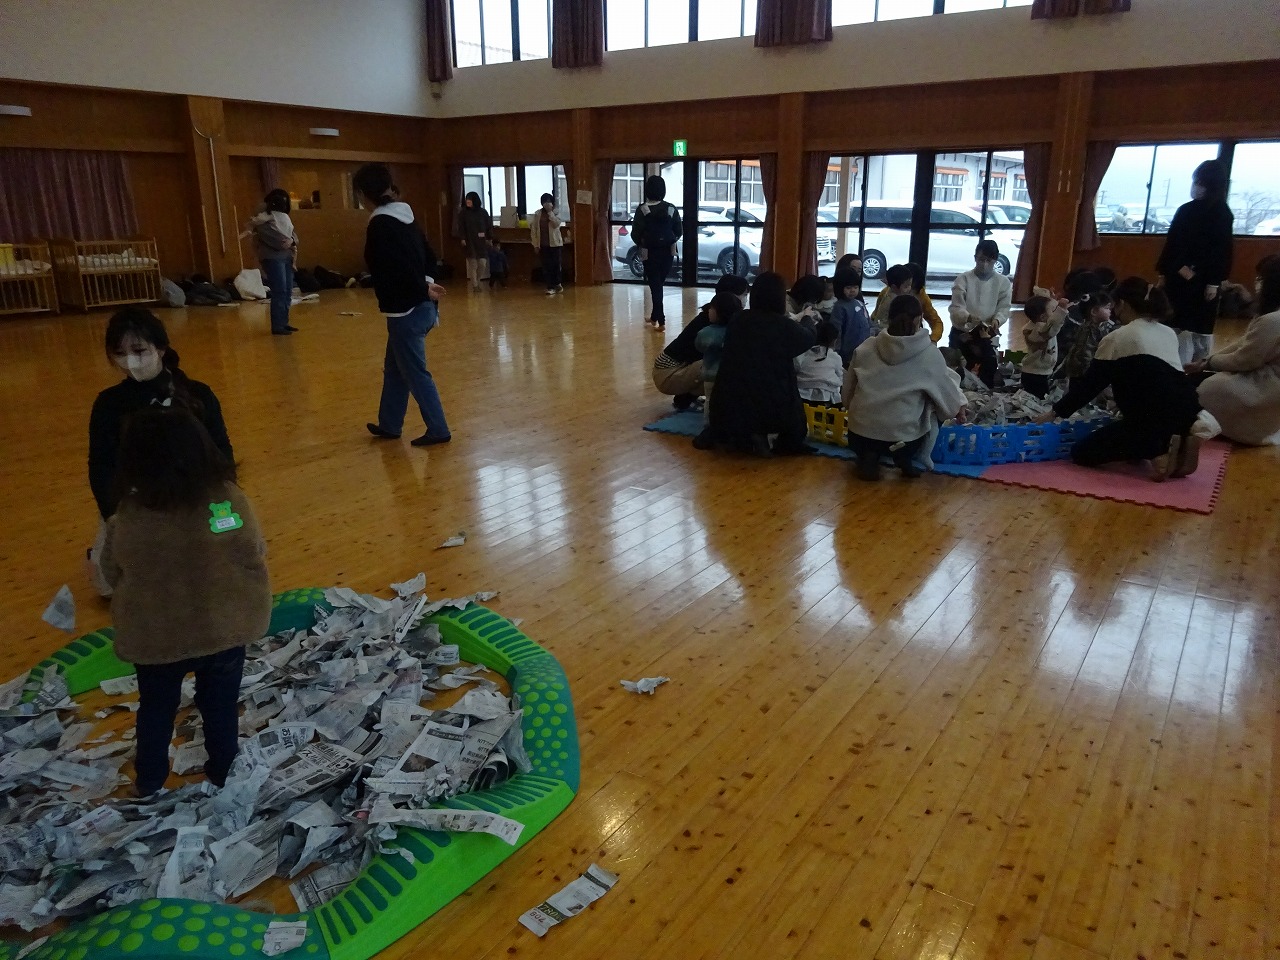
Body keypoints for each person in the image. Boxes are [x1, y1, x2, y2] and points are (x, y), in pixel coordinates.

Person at [99, 406, 271, 796]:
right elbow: (253, 550)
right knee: (221, 707)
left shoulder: (130, 515)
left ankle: (149, 781)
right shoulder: (228, 499)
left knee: (156, 708)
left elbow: (111, 573)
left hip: (157, 638)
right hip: (224, 627)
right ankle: (223, 771)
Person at [89, 308, 233, 596]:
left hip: (192, 495)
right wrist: (112, 515)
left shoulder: (198, 395)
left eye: (139, 351)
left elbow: (221, 450)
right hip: (136, 500)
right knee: (108, 585)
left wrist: (222, 498)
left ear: (161, 348)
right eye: (120, 353)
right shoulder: (108, 404)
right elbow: (101, 465)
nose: (130, 361)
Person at [1037, 277, 1207, 480]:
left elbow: (1090, 386)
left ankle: (1157, 451)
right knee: (1136, 433)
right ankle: (1179, 443)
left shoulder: (1118, 337)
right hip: (1188, 410)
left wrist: (1055, 412)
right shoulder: (1168, 332)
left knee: (1082, 453)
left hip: (1150, 418)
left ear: (1123, 304)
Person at [354, 163, 451, 447]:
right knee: (396, 368)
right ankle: (390, 423)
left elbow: (392, 269)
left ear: (362, 194)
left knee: (415, 373)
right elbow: (428, 257)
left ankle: (439, 429)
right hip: (420, 306)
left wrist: (422, 287)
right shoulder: (405, 217)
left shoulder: (380, 224)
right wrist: (427, 284)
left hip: (406, 311)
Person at [842, 295, 966, 482]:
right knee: (933, 405)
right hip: (904, 439)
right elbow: (949, 406)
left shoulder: (865, 347)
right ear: (919, 319)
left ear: (889, 317)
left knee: (869, 429)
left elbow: (847, 394)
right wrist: (958, 406)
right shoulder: (930, 354)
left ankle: (869, 456)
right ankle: (905, 458)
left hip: (859, 434)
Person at [704, 272, 815, 457]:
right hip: (771, 406)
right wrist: (807, 318)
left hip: (729, 406)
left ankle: (748, 436)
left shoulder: (738, 320)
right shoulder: (782, 325)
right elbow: (808, 338)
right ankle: (769, 437)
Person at [1186, 254, 1280, 445]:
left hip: (1265, 389)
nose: (1257, 283)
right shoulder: (1271, 316)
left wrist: (1209, 363)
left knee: (1203, 388)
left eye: (1260, 278)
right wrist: (1207, 360)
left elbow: (1245, 360)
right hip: (1268, 384)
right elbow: (1244, 343)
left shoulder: (1273, 320)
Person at [1156, 159, 1235, 364]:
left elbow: (1221, 250)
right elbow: (1171, 243)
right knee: (1173, 320)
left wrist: (1214, 282)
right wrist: (1163, 272)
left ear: (1213, 186)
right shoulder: (1185, 210)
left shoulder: (1222, 213)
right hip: (1177, 273)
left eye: (1201, 183)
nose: (1196, 187)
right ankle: (1169, 362)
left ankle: (1195, 366)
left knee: (1198, 327)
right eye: (1196, 182)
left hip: (1203, 280)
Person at [651, 274, 750, 410]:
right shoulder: (710, 324)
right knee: (721, 363)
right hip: (667, 374)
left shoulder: (716, 318)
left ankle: (688, 398)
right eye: (744, 295)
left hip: (676, 370)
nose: (745, 299)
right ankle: (685, 400)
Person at [949, 239, 1012, 387]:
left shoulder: (1003, 282)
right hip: (963, 332)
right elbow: (956, 307)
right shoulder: (963, 279)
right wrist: (968, 317)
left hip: (986, 334)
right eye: (981, 259)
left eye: (989, 260)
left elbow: (1004, 308)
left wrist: (997, 320)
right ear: (975, 258)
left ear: (995, 260)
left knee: (987, 372)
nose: (984, 264)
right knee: (959, 373)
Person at [246, 188, 298, 336]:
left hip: (287, 256)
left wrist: (292, 241)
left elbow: (293, 234)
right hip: (273, 257)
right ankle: (277, 325)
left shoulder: (283, 216)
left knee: (287, 290)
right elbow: (271, 237)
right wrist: (286, 242)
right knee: (279, 290)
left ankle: (284, 322)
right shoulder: (263, 217)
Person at [632, 176, 681, 329]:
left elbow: (635, 234)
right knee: (658, 284)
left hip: (649, 252)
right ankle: (654, 317)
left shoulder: (642, 209)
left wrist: (642, 242)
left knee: (655, 285)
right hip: (668, 251)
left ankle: (661, 320)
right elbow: (679, 231)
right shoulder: (671, 208)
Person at [692, 292, 744, 437]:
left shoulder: (706, 333)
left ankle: (709, 427)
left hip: (710, 374)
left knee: (710, 400)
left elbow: (699, 346)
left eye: (711, 308)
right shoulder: (739, 332)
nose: (709, 311)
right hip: (733, 375)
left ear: (718, 312)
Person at [1019, 292, 1069, 399]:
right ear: (1042, 317)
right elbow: (1053, 326)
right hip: (1034, 375)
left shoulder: (1041, 326)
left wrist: (1053, 302)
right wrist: (1061, 310)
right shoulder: (1039, 330)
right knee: (1039, 400)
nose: (1056, 312)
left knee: (1042, 398)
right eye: (1054, 311)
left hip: (1040, 372)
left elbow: (1052, 322)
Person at [1057, 290, 1115, 382]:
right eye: (1107, 308)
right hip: (1082, 373)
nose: (1110, 311)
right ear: (1094, 311)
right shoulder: (1088, 330)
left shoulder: (1095, 327)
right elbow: (1084, 353)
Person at [794, 320, 845, 405]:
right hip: (826, 397)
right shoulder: (835, 357)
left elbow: (795, 367)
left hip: (802, 395)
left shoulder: (804, 353)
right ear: (834, 341)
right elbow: (840, 376)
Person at [829, 266, 870, 366]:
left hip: (864, 349)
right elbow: (836, 330)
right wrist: (836, 352)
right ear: (840, 288)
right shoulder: (839, 307)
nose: (852, 290)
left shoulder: (860, 303)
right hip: (846, 353)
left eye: (855, 287)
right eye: (848, 288)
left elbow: (868, 323)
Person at [458, 191, 493, 293]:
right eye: (467, 200)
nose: (468, 202)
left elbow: (489, 226)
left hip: (482, 242)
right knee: (473, 264)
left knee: (482, 263)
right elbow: (461, 227)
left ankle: (477, 280)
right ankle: (475, 285)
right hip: (469, 241)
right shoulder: (463, 213)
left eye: (470, 200)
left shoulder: (483, 212)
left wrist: (490, 238)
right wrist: (462, 238)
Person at [529, 192, 564, 296]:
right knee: (546, 266)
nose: (546, 204)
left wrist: (550, 213)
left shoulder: (556, 212)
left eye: (548, 201)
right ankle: (550, 286)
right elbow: (534, 230)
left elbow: (556, 224)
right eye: (544, 202)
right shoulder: (537, 214)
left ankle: (557, 283)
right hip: (543, 245)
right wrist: (535, 245)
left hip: (555, 244)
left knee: (556, 265)